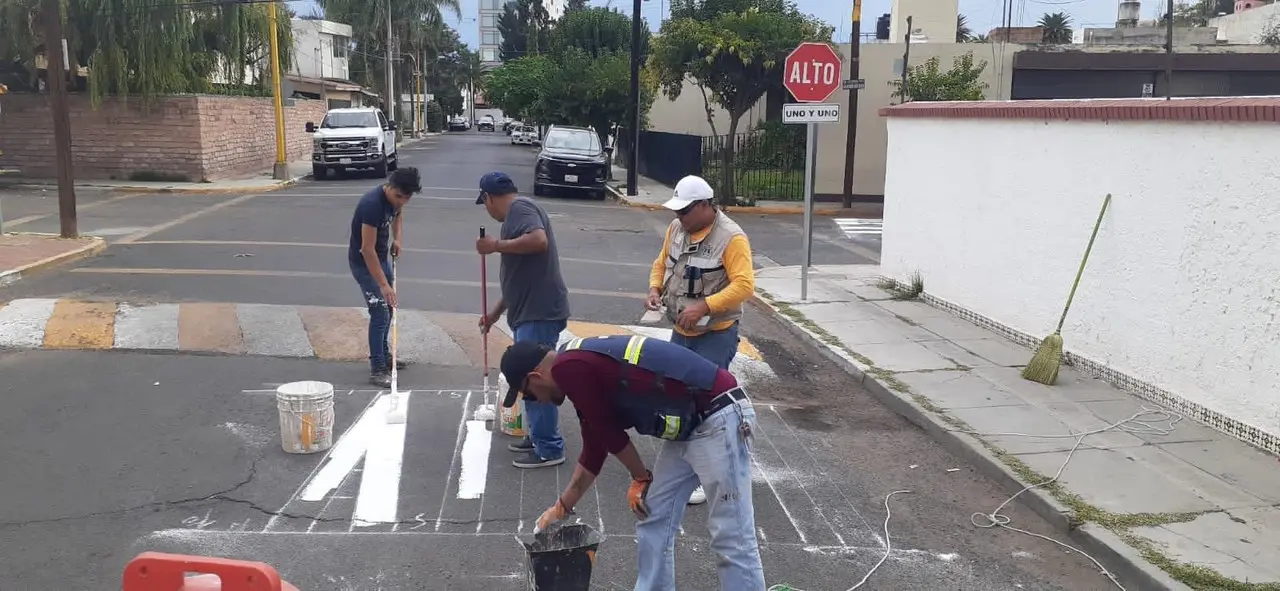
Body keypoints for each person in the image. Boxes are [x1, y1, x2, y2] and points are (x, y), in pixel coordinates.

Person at [500, 334, 765, 591]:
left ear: (535, 377)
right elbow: (595, 447)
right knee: (653, 515)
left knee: (731, 535)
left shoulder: (569, 368)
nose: (537, 401)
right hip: (692, 423)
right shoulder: (575, 365)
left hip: (721, 416)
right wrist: (561, 508)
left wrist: (640, 477)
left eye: (530, 395)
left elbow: (609, 432)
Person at [645, 174, 756, 506]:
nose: (679, 217)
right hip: (682, 330)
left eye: (685, 211)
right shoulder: (676, 229)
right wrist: (654, 288)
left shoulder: (731, 238)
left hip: (715, 335)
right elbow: (662, 262)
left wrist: (705, 306)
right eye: (677, 211)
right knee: (676, 395)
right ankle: (684, 464)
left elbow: (744, 285)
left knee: (705, 403)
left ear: (706, 206)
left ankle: (704, 473)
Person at [475, 171, 570, 469]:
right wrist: (495, 314)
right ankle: (539, 437)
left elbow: (539, 241)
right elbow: (517, 280)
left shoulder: (520, 209)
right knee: (528, 379)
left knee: (535, 378)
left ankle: (549, 447)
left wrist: (496, 246)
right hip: (530, 309)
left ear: (490, 197)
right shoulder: (516, 218)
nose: (487, 210)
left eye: (485, 203)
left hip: (539, 311)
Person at [349, 167, 421, 387]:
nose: (401, 202)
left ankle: (385, 353)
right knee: (380, 312)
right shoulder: (371, 205)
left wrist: (397, 239)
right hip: (365, 264)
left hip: (381, 259)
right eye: (399, 196)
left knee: (389, 309)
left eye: (406, 198)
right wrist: (383, 285)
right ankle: (377, 367)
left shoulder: (396, 202)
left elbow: (398, 215)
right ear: (389, 186)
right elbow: (366, 250)